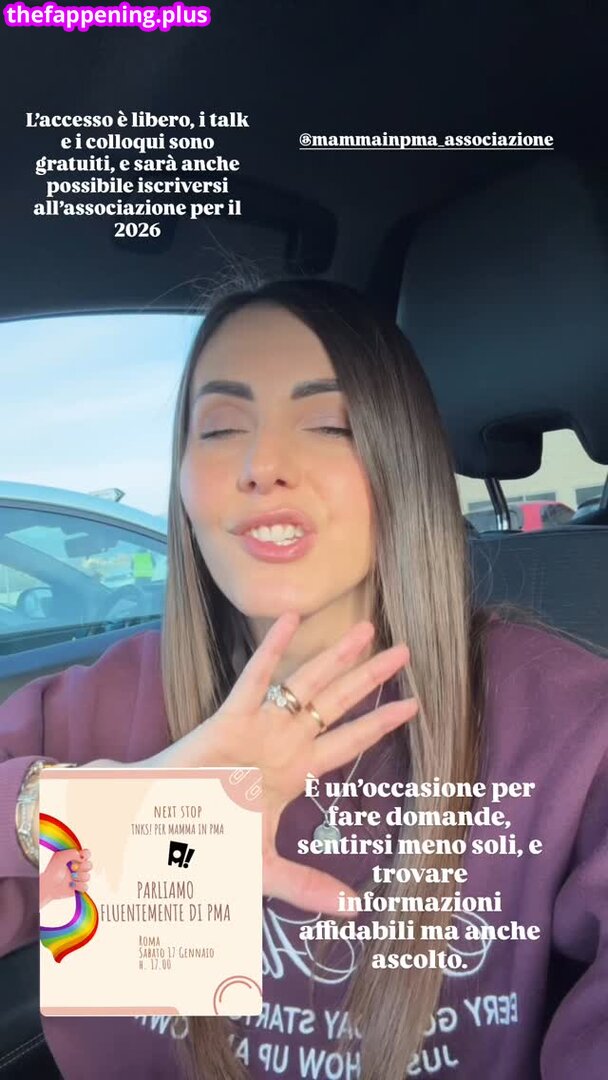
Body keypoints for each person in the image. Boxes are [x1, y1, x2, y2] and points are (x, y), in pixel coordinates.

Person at [1, 279, 606, 1080]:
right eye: (220, 428)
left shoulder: (572, 729)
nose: (262, 466)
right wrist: (88, 814)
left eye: (327, 425)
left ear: (402, 460)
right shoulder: (103, 705)